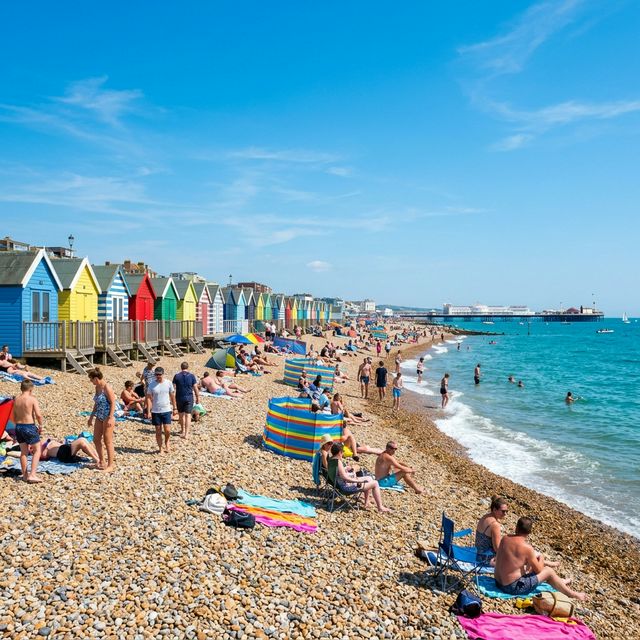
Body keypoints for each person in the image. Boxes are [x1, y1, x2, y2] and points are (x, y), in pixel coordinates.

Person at [494, 516, 586, 601]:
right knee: (548, 571)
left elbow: (514, 561)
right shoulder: (527, 548)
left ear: (516, 528)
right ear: (529, 532)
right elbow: (539, 570)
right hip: (511, 587)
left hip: (498, 583)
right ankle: (573, 594)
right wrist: (541, 556)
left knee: (532, 565)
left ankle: (560, 582)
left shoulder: (505, 538)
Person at [330, 442, 390, 512]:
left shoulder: (331, 460)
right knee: (375, 483)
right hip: (346, 488)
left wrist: (345, 469)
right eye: (343, 451)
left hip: (338, 485)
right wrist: (358, 481)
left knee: (369, 478)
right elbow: (345, 478)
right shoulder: (338, 462)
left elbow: (338, 473)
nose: (343, 453)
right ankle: (380, 507)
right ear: (339, 452)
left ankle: (366, 502)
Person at [11, 379, 44, 483]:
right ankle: (32, 475)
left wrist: (16, 426)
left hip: (18, 427)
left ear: (21, 388)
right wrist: (40, 425)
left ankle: (25, 476)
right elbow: (38, 415)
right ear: (30, 389)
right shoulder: (32, 399)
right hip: (29, 426)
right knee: (37, 450)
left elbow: (12, 417)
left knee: (23, 452)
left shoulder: (16, 399)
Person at [87, 368, 116, 472]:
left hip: (108, 416)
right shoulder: (97, 387)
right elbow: (96, 403)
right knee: (96, 439)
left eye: (91, 380)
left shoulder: (106, 387)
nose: (91, 382)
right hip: (99, 415)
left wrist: (110, 417)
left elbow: (113, 402)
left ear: (96, 378)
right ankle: (102, 462)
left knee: (107, 441)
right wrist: (91, 417)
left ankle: (110, 465)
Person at [146, 367, 177, 453]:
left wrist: (175, 408)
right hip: (155, 411)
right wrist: (148, 411)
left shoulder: (168, 383)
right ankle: (160, 448)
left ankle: (167, 442)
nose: (158, 376)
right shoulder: (152, 384)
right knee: (158, 431)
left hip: (166, 409)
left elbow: (172, 396)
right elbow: (148, 398)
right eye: (156, 374)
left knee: (167, 430)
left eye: (159, 374)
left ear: (163, 374)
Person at [475, 495, 509, 564]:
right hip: (486, 558)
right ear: (494, 509)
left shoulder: (485, 517)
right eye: (503, 511)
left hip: (478, 553)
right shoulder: (494, 524)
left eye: (506, 511)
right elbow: (497, 549)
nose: (505, 514)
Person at [173, 362, 199, 439]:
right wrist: (198, 397)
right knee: (188, 415)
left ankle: (182, 430)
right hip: (189, 398)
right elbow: (195, 388)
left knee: (181, 415)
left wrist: (172, 399)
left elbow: (173, 388)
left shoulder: (176, 376)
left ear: (181, 367)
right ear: (187, 367)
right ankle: (186, 434)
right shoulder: (191, 376)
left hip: (179, 397)